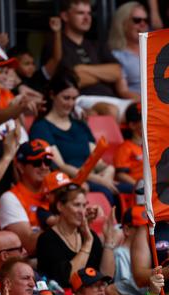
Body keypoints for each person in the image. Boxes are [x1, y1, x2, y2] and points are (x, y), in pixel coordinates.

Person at [29, 74, 122, 204]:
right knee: (105, 192)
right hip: (68, 182)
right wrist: (99, 180)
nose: (70, 103)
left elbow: (97, 161)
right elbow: (61, 166)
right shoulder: (41, 127)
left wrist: (109, 171)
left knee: (136, 189)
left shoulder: (80, 125)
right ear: (52, 95)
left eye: (74, 99)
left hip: (93, 178)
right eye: (66, 98)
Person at [58, 0, 133, 119]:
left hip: (113, 99)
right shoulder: (58, 45)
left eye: (89, 13)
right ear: (65, 16)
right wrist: (104, 75)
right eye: (80, 13)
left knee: (148, 110)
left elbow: (117, 71)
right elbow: (74, 79)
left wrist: (82, 69)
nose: (87, 18)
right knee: (110, 110)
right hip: (81, 99)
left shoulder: (97, 45)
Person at [36, 182, 116, 288]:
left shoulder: (89, 235)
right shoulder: (47, 240)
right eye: (77, 205)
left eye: (84, 205)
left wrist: (109, 240)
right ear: (60, 206)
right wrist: (87, 242)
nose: (82, 212)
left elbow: (107, 277)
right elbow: (69, 280)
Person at [0, 139, 52, 254]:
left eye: (47, 161)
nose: (44, 167)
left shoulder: (56, 193)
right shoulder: (10, 198)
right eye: (37, 162)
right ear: (20, 167)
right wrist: (66, 222)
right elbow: (28, 245)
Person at [107, 2, 148, 101]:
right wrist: (149, 104)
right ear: (123, 23)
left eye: (146, 20)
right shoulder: (117, 55)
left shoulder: (156, 50)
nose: (143, 24)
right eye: (137, 20)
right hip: (139, 105)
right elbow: (123, 92)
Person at [113, 102, 143, 186]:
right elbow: (120, 175)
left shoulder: (153, 147)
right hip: (137, 191)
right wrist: (140, 187)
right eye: (144, 120)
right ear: (132, 125)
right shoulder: (125, 148)